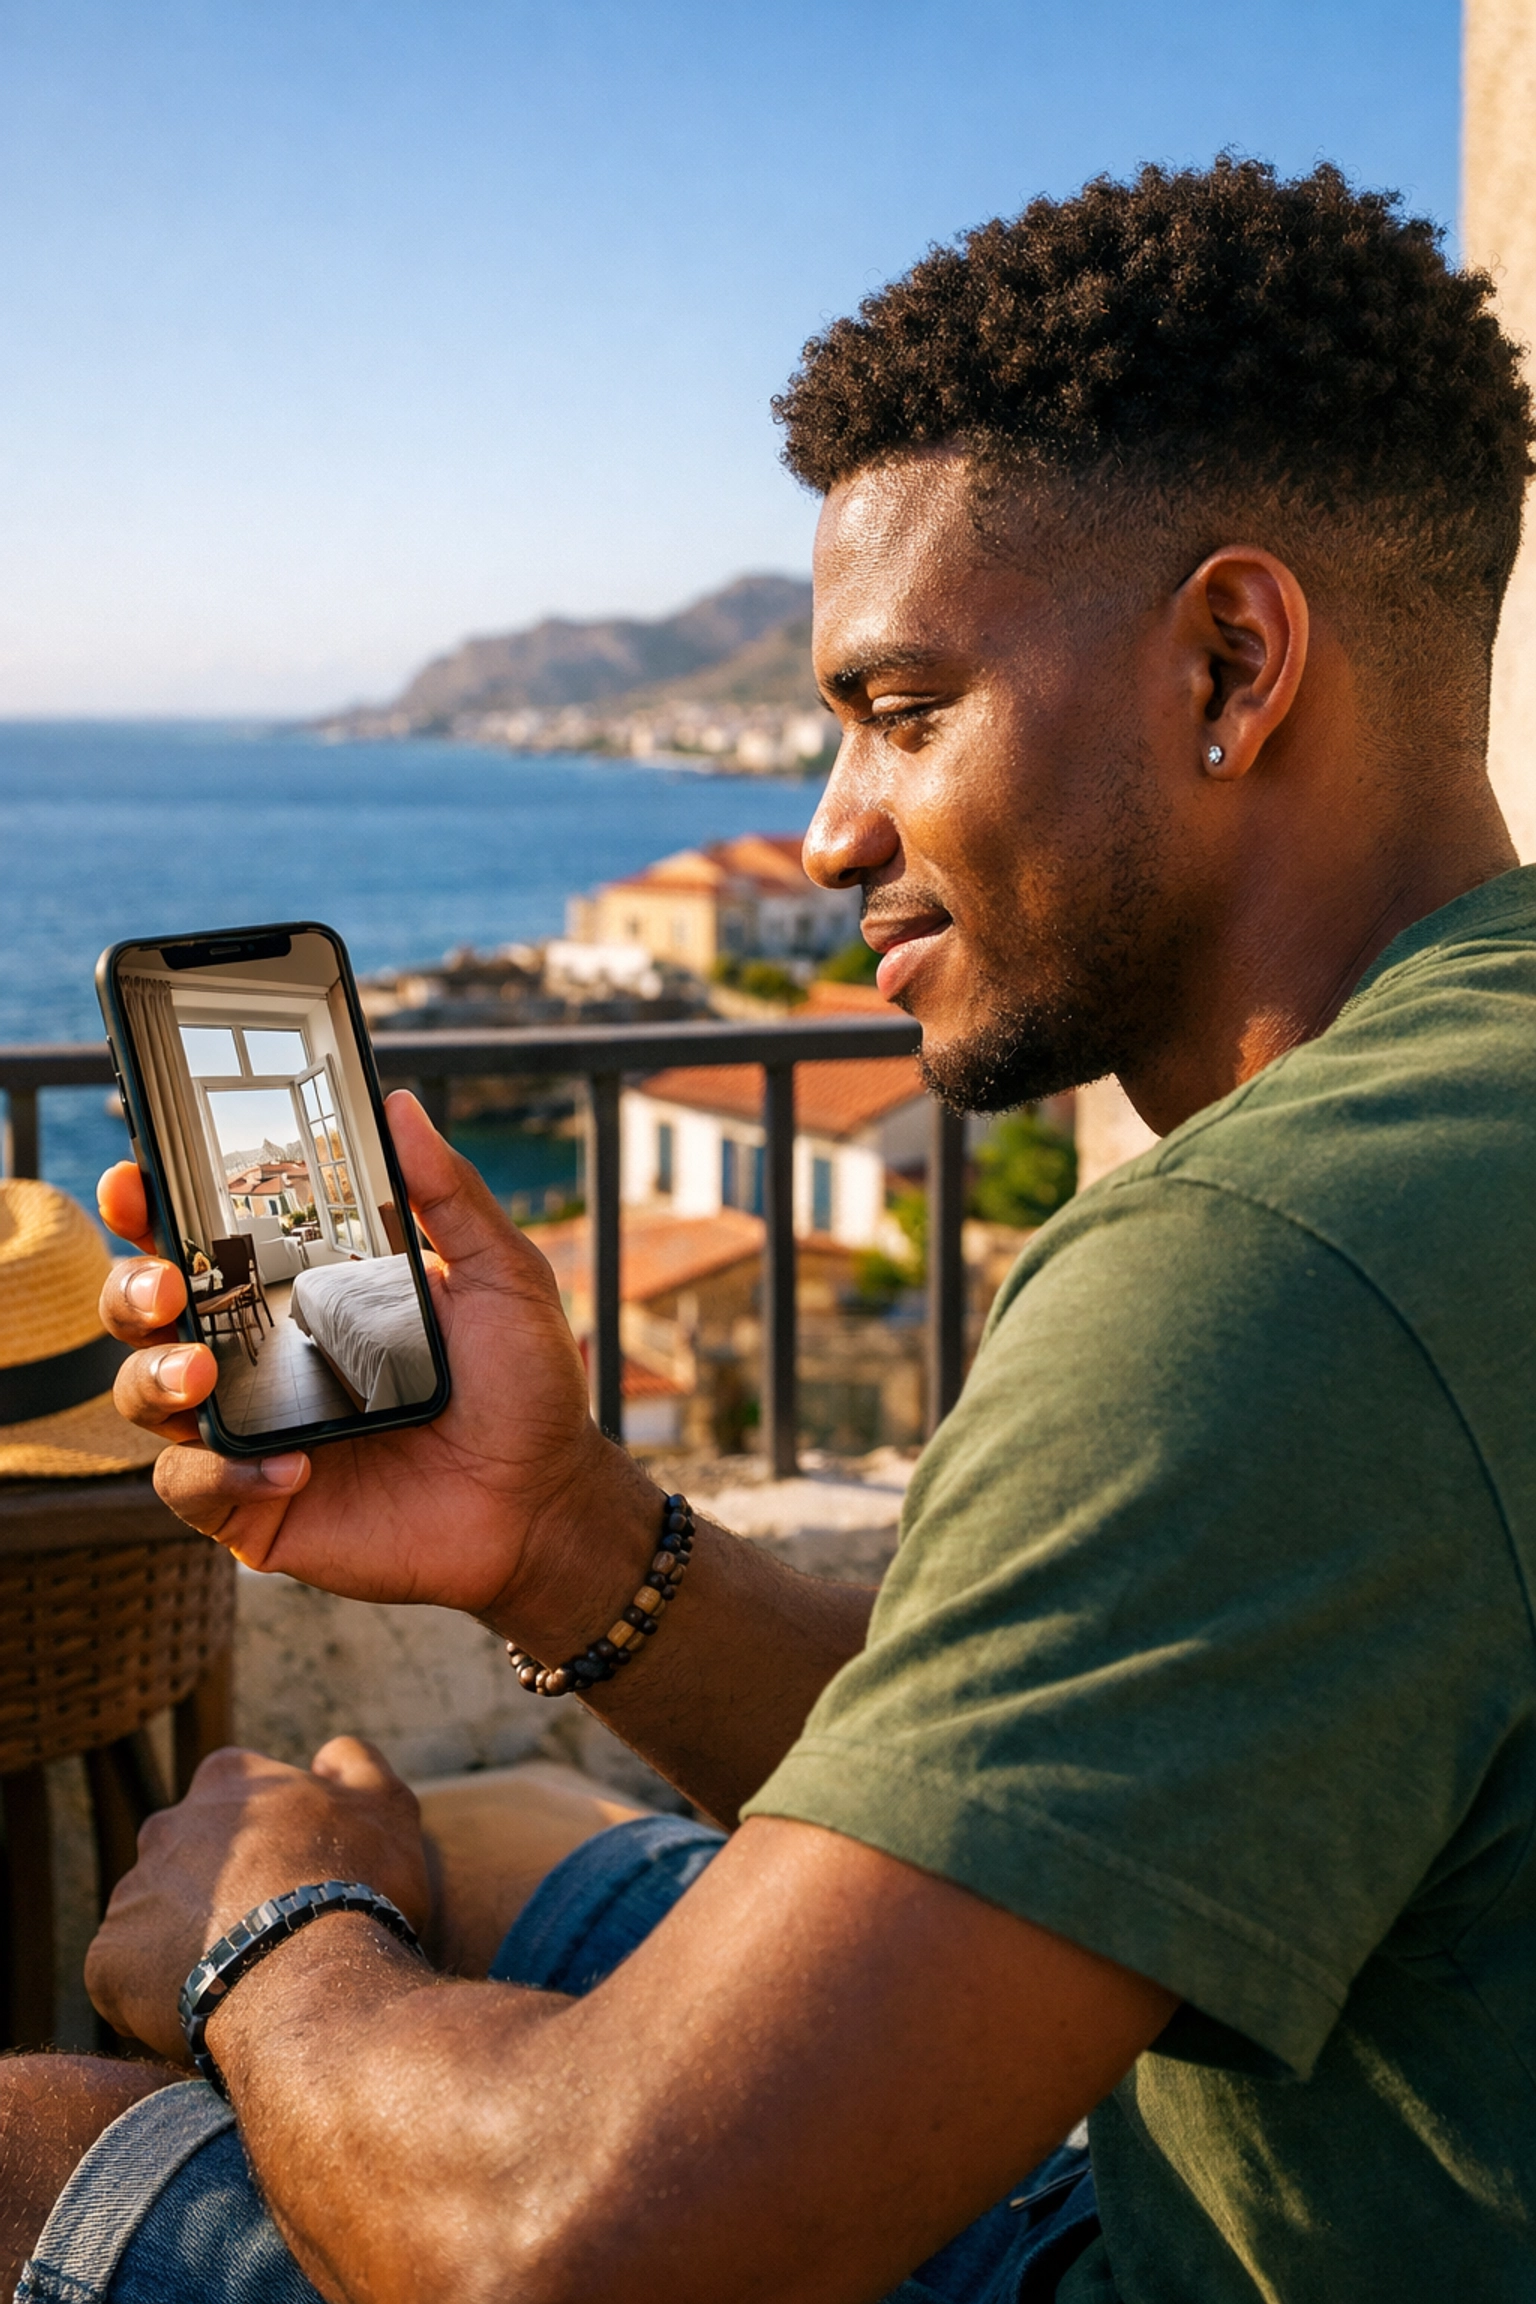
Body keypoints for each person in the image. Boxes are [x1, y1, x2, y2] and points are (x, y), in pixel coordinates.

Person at [5, 153, 1535, 2302]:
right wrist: (550, 1534)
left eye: (903, 713)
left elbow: (573, 2253)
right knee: (510, 1832)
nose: (827, 832)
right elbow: (1104, 1763)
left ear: (1232, 659)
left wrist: (275, 1934)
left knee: (25, 2144)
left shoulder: (1271, 1267)